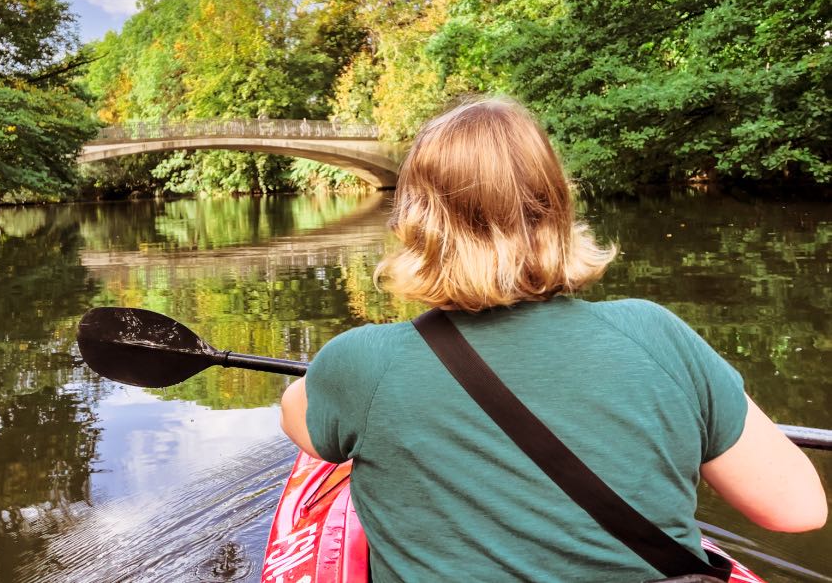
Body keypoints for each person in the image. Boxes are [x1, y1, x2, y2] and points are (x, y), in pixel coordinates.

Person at [280, 97, 826, 581]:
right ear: (558, 205)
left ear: (414, 223)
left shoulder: (362, 364)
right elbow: (798, 509)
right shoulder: (656, 333)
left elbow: (298, 422)